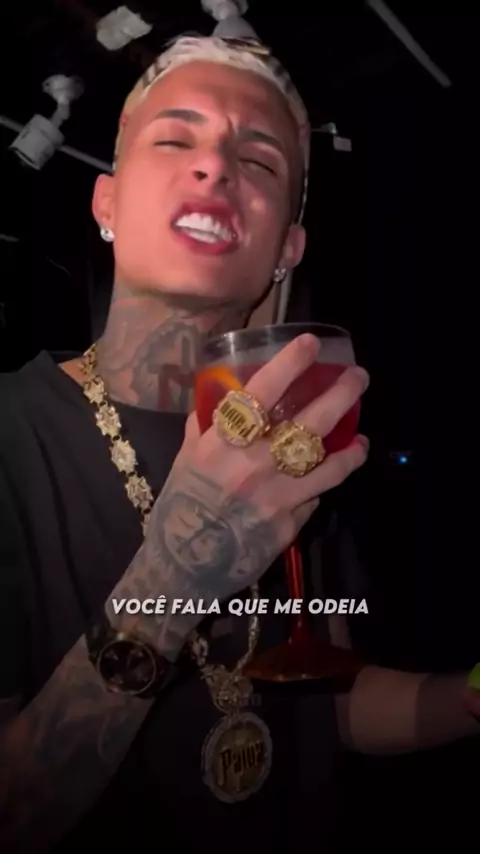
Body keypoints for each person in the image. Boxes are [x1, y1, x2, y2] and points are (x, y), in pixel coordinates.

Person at [0, 24, 478, 854]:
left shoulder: (298, 438)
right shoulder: (11, 437)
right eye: (174, 139)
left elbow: (327, 707)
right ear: (106, 203)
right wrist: (178, 567)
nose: (217, 166)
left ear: (285, 249)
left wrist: (469, 696)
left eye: (259, 161)